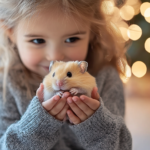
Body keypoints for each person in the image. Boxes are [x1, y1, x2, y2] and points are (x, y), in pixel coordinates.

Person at [0, 0, 132, 149]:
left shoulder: (106, 77)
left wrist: (97, 126)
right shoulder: (5, 83)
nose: (55, 56)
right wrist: (37, 126)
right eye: (37, 40)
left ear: (92, 31)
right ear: (10, 32)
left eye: (71, 39)